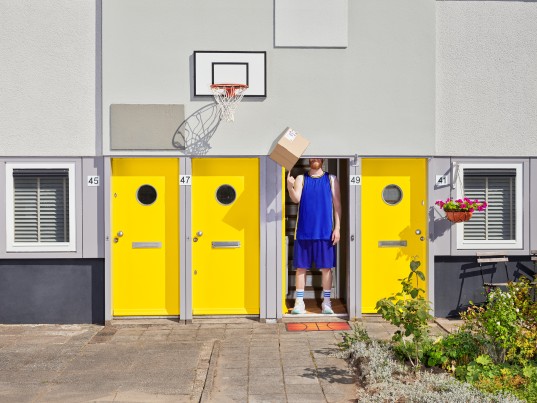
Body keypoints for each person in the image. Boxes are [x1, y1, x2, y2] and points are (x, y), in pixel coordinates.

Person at [287, 158, 341, 314]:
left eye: (317, 157)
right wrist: (289, 186)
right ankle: (299, 303)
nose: (314, 159)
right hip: (303, 232)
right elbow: (296, 199)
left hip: (325, 232)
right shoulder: (301, 178)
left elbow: (338, 205)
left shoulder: (331, 179)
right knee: (301, 268)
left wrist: (337, 228)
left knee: (326, 269)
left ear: (322, 159)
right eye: (312, 157)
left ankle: (327, 302)